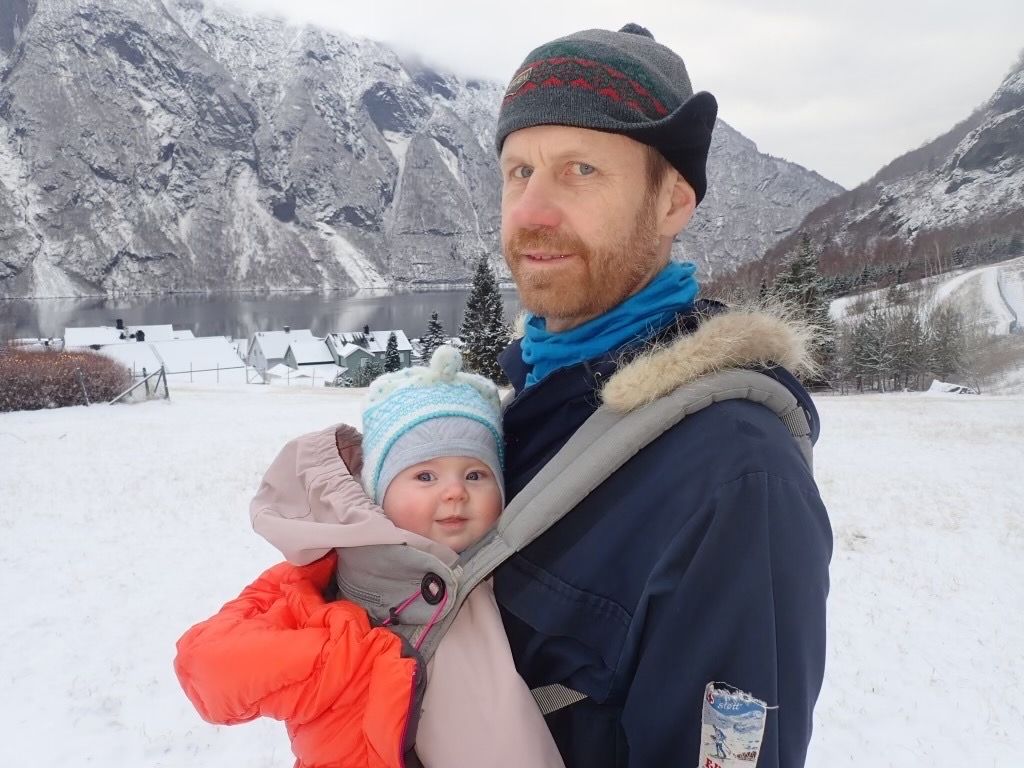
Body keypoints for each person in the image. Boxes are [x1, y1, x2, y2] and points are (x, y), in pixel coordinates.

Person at [489, 23, 832, 768]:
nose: (532, 210)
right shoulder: (521, 404)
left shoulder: (737, 481)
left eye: (580, 169)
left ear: (673, 203)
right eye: (519, 171)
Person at [174, 346, 565, 768]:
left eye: (475, 474)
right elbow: (209, 665)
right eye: (425, 476)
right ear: (378, 491)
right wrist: (341, 660)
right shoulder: (337, 576)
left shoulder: (510, 568)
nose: (455, 492)